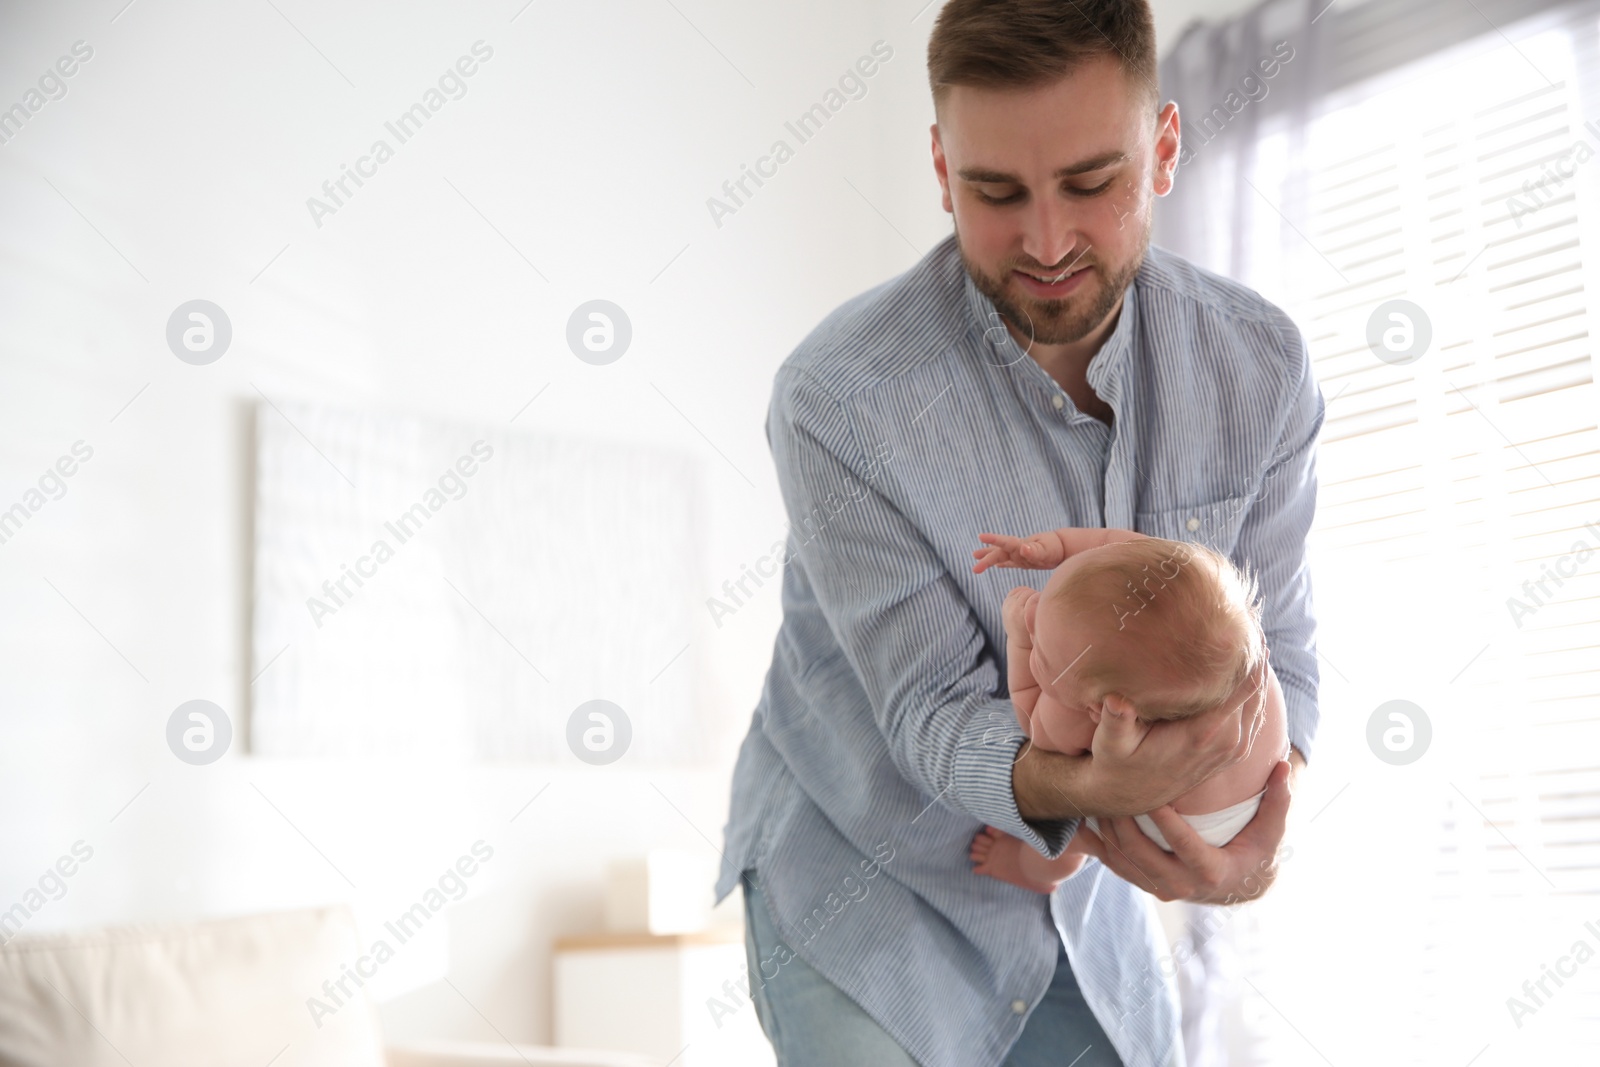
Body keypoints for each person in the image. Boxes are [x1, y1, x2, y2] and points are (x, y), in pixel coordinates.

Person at [713, 1, 1324, 1064]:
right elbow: (929, 710)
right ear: (944, 170)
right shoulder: (837, 400)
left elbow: (1285, 651)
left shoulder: (1258, 368)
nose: (1046, 244)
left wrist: (1264, 819)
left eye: (1092, 183)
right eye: (997, 193)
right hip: (866, 884)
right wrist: (1089, 787)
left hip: (1082, 903)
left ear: (1163, 149)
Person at [966, 527, 1291, 893]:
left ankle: (1035, 870)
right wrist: (1058, 547)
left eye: (1043, 654)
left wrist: (1019, 638)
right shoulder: (1187, 588)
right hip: (1261, 785)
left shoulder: (1100, 714)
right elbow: (1117, 546)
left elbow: (1031, 721)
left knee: (1077, 831)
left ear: (1095, 709)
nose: (1032, 612)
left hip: (1187, 830)